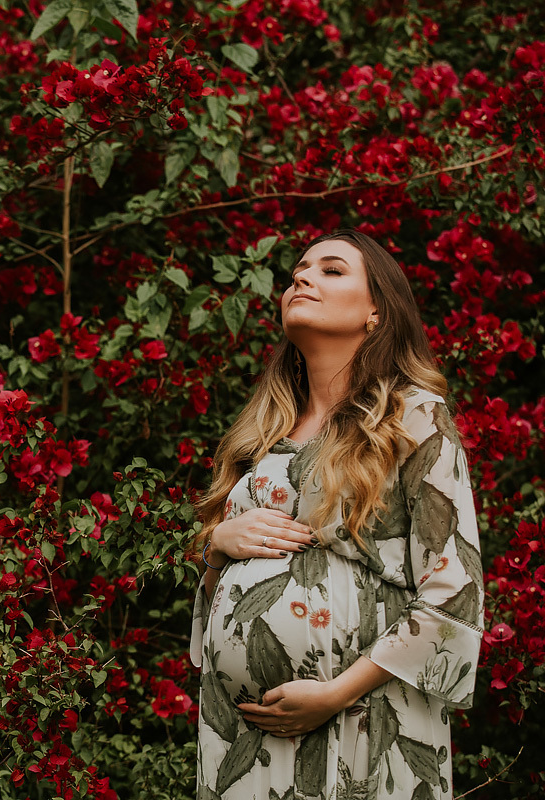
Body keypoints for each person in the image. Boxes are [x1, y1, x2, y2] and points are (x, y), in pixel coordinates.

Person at [187, 229, 483, 800]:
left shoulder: (414, 419)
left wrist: (338, 692)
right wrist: (218, 543)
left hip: (365, 713)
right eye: (299, 270)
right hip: (244, 728)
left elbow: (455, 585)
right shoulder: (261, 434)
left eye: (330, 270)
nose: (301, 278)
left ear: (376, 311)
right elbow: (219, 589)